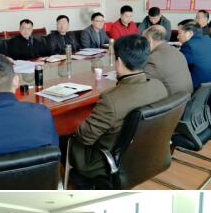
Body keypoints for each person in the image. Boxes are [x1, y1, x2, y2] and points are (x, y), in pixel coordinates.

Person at [69, 34, 167, 183]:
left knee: (65, 138)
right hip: (146, 154)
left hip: (103, 163)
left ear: (119, 62)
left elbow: (85, 137)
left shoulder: (110, 100)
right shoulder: (159, 87)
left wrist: (76, 123)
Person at [143, 25, 193, 95]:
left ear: (149, 40)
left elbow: (140, 83)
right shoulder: (178, 52)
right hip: (187, 97)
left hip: (173, 100)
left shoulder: (153, 59)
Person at [178, 19, 211, 89]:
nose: (177, 37)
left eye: (179, 33)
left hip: (200, 88)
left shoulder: (189, 46)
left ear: (189, 33)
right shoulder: (207, 39)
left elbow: (177, 65)